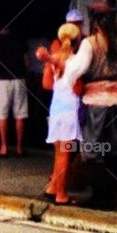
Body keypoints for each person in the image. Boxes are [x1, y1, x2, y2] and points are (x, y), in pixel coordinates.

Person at [60, 2, 117, 210]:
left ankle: (98, 196)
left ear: (94, 22)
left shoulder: (90, 43)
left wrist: (65, 80)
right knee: (113, 150)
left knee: (94, 148)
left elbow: (78, 68)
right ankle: (112, 196)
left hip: (95, 103)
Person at [44, 22, 83, 205]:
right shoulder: (76, 61)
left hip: (56, 107)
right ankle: (61, 194)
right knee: (66, 153)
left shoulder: (55, 59)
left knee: (59, 151)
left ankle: (52, 187)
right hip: (69, 108)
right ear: (77, 40)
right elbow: (78, 89)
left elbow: (46, 84)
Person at [0, 23, 28, 157]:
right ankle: (19, 148)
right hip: (19, 79)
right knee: (20, 115)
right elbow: (26, 62)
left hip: (2, 82)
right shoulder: (20, 40)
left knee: (2, 115)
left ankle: (4, 148)